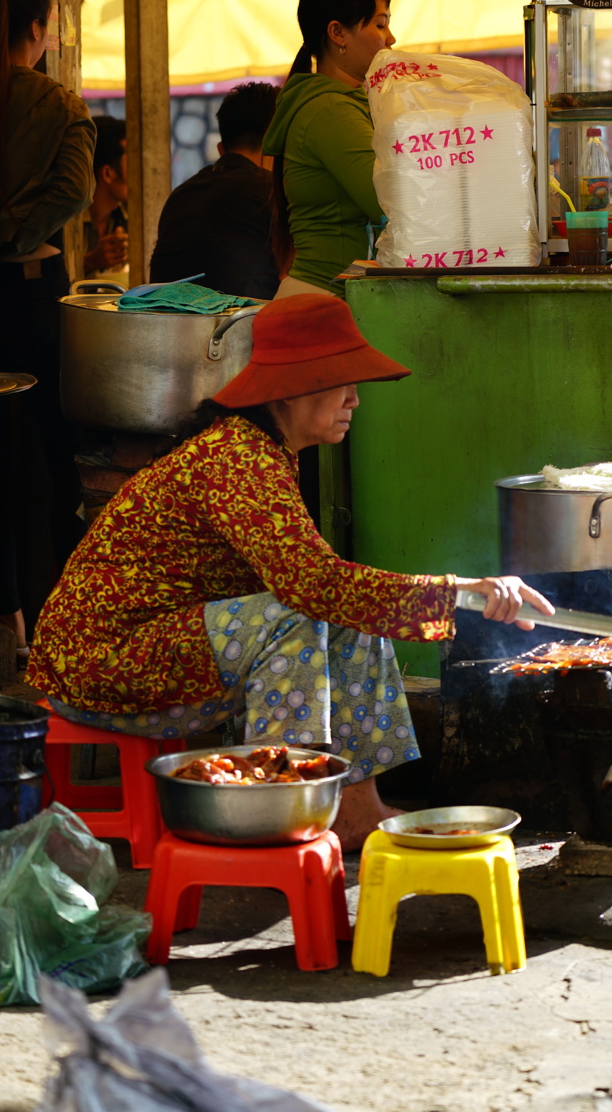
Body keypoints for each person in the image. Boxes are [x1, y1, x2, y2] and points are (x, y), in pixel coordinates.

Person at [27, 293, 553, 847]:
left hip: (165, 651)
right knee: (299, 616)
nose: (355, 399)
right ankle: (280, 808)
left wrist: (451, 597)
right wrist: (458, 594)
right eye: (342, 382)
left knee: (344, 611)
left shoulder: (264, 451)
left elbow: (329, 589)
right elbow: (313, 586)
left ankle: (354, 811)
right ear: (293, 388)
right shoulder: (237, 456)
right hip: (99, 663)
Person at [0, 0, 96, 656]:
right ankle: (69, 613)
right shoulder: (55, 101)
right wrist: (15, 227)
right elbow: (75, 190)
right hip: (34, 291)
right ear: (37, 29)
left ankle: (5, 611)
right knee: (56, 456)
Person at [264, 0, 395, 300]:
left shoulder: (343, 105)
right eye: (380, 24)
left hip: (330, 296)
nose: (390, 38)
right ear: (338, 33)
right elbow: (390, 201)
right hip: (321, 302)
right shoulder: (331, 111)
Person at [150, 82, 280, 299]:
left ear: (221, 149)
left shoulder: (180, 195)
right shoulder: (271, 191)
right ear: (274, 144)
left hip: (169, 327)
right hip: (242, 326)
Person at [84, 116, 129, 276]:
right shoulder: (67, 221)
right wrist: (90, 262)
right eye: (131, 162)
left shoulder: (130, 218)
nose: (140, 172)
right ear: (108, 173)